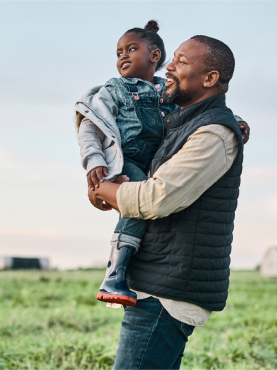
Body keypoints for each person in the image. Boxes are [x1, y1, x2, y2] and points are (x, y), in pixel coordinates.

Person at [88, 35, 246, 369]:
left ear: (210, 79)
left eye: (182, 61)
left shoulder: (213, 133)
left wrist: (106, 190)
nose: (169, 66)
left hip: (168, 291)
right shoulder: (183, 124)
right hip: (158, 281)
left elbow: (157, 197)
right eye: (172, 58)